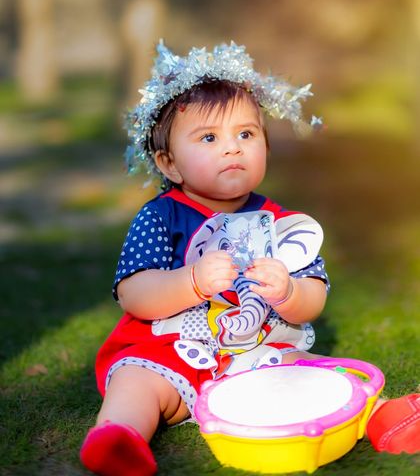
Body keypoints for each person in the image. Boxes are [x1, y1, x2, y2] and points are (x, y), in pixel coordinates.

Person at [80, 41, 419, 476]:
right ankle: (119, 436)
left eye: (246, 134)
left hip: (256, 352)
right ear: (170, 164)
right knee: (136, 382)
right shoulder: (161, 218)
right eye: (209, 138)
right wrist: (193, 283)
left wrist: (289, 291)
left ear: (265, 147)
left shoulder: (279, 222)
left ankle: (384, 415)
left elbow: (314, 298)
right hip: (169, 353)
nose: (232, 148)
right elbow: (134, 293)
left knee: (312, 373)